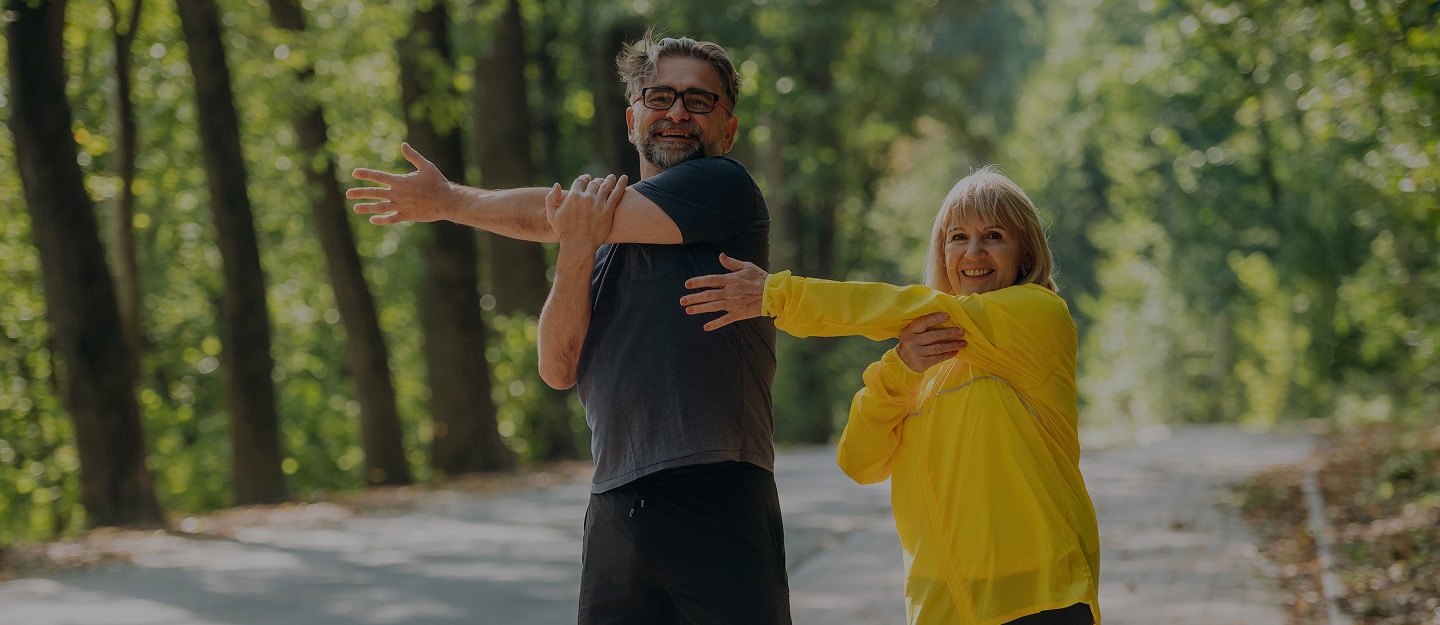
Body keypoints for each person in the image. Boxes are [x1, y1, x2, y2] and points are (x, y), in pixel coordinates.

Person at [347, 32, 790, 625]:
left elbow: (545, 215)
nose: (678, 112)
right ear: (632, 119)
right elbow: (558, 368)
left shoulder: (725, 187)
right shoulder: (596, 239)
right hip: (615, 501)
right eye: (659, 97)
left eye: (699, 100)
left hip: (715, 486)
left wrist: (449, 200)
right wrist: (576, 250)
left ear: (727, 129)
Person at [679, 166, 1101, 625]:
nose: (973, 252)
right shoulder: (921, 357)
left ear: (1025, 252)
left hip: (1039, 596)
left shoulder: (1039, 315)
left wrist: (779, 294)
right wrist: (902, 369)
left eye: (994, 236)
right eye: (958, 237)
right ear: (943, 251)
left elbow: (915, 306)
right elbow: (859, 461)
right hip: (942, 610)